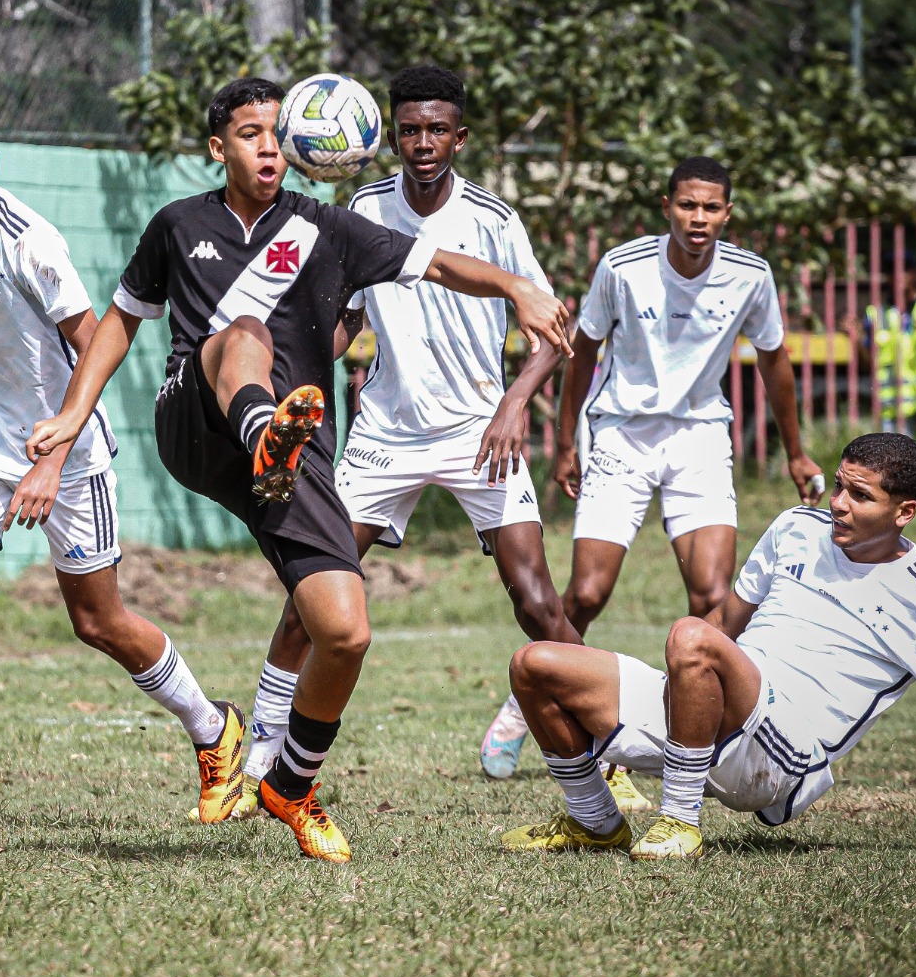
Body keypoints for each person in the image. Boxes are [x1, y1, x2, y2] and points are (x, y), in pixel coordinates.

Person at [25, 77, 571, 862]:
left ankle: (290, 782)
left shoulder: (331, 230)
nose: (269, 146)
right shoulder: (179, 225)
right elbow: (117, 323)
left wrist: (516, 283)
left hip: (294, 455)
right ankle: (261, 430)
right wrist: (74, 415)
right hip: (203, 423)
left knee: (343, 633)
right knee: (242, 331)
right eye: (250, 133)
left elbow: (442, 263)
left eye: (279, 133)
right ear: (219, 149)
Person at [202, 65, 642, 820]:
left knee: (538, 601)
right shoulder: (364, 208)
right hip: (386, 438)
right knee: (309, 599)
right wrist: (301, 361)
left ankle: (609, 754)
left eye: (437, 129)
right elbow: (343, 317)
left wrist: (512, 404)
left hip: (480, 433)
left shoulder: (495, 220)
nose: (423, 142)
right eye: (409, 129)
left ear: (459, 137)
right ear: (388, 135)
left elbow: (552, 326)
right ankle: (260, 762)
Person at [0, 97, 246, 833]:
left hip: (68, 448)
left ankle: (213, 726)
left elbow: (96, 340)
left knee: (98, 622)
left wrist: (51, 458)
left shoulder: (28, 239)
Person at [497, 432, 916, 859]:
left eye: (862, 496)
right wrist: (678, 688)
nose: (841, 505)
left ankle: (679, 822)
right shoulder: (797, 527)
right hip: (719, 710)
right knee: (534, 664)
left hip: (784, 758)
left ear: (905, 512)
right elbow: (727, 619)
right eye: (840, 486)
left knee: (691, 636)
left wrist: (695, 652)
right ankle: (595, 823)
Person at [545, 157, 824, 648]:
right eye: (688, 205)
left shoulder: (751, 276)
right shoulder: (622, 267)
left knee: (712, 596)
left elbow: (774, 360)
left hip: (699, 435)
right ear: (667, 207)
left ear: (727, 213)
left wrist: (797, 453)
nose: (699, 218)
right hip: (621, 433)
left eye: (710, 208)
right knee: (588, 594)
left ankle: (691, 719)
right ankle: (527, 697)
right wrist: (567, 442)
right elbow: (583, 349)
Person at [852, 266, 916, 465]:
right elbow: (868, 365)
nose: (900, 277)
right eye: (894, 271)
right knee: (899, 462)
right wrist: (856, 340)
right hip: (896, 399)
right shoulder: (877, 313)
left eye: (906, 270)